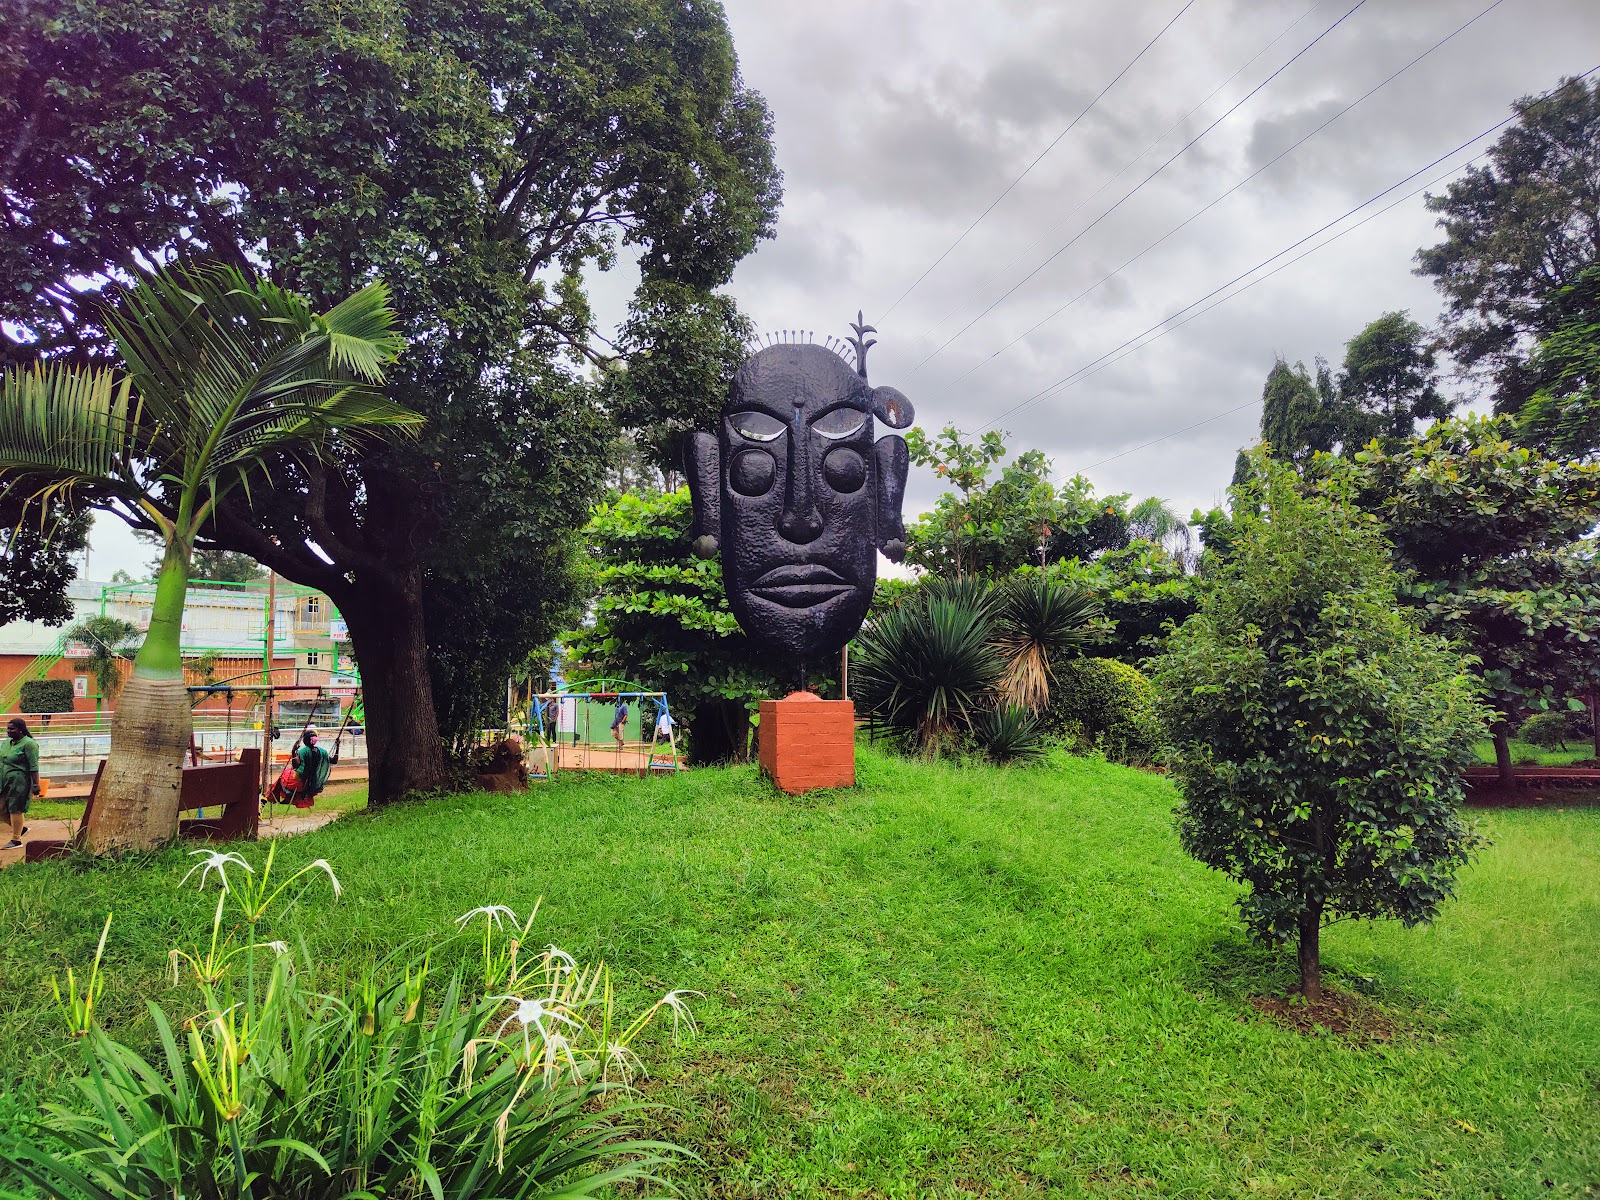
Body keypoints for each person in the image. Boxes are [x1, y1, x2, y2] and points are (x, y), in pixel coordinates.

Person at [1, 717, 41, 850]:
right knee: (1, 808)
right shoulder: (7, 742)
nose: (9, 731)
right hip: (4, 780)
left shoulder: (29, 744)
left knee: (15, 808)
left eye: (12, 729)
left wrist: (36, 784)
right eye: (8, 728)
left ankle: (16, 840)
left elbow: (33, 766)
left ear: (21, 730)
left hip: (19, 781)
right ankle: (20, 828)